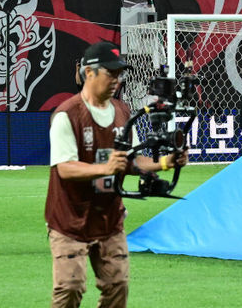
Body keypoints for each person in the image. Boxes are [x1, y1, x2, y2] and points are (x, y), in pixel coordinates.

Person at [45, 41, 187, 308]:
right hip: (70, 220)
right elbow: (64, 167)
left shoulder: (122, 112)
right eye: (110, 73)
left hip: (109, 218)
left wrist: (167, 163)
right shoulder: (67, 114)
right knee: (70, 289)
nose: (116, 80)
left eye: (119, 74)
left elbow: (132, 160)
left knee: (117, 287)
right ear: (89, 73)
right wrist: (105, 168)